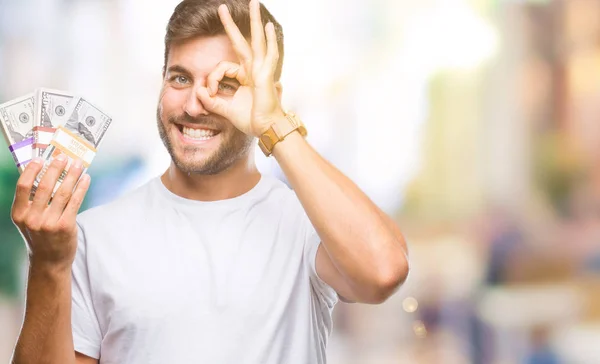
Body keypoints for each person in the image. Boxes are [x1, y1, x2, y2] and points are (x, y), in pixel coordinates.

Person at [10, 0, 409, 363]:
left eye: (226, 85)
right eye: (180, 78)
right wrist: (48, 265)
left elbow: (383, 273)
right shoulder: (92, 238)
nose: (194, 104)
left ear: (269, 97)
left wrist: (273, 123)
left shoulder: (308, 226)